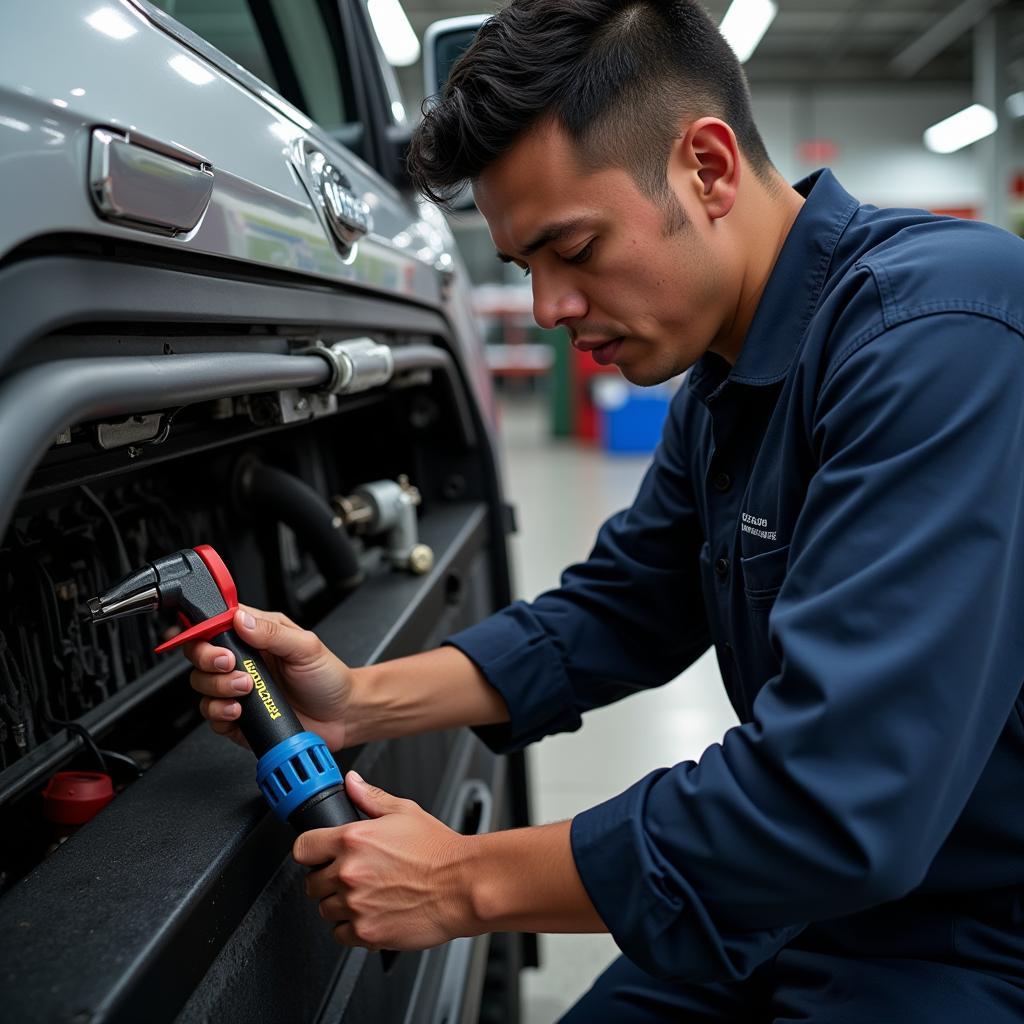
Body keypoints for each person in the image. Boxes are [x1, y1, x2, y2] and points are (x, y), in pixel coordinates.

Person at [186, 0, 1024, 1019]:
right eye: (525, 268)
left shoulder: (941, 333)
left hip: (971, 931)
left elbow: (838, 802)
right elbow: (618, 608)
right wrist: (357, 699)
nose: (547, 310)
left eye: (572, 249)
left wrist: (460, 882)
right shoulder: (728, 373)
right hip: (797, 909)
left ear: (706, 168)